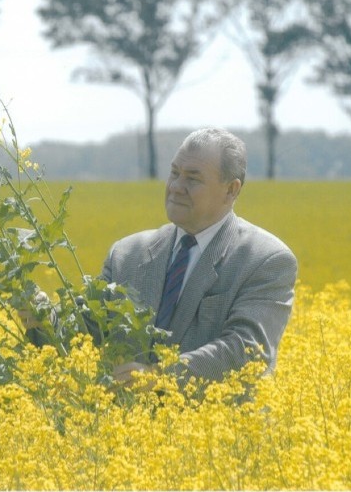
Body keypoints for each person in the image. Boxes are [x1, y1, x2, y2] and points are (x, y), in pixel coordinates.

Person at [106, 128, 297, 387]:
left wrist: (159, 379)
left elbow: (245, 350)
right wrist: (41, 317)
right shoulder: (126, 254)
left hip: (220, 425)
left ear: (231, 190)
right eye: (174, 173)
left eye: (192, 179)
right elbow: (88, 332)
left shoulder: (265, 260)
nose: (176, 187)